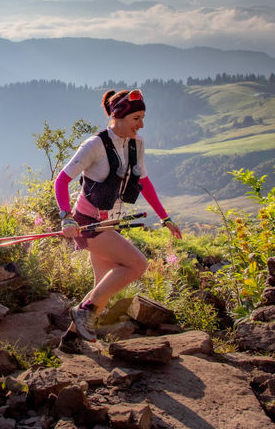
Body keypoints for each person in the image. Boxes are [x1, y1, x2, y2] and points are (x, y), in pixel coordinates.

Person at [54, 88, 182, 352]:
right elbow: (62, 181)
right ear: (118, 116)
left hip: (110, 223)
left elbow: (144, 182)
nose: (141, 124)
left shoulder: (136, 144)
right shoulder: (94, 145)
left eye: (142, 118)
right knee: (137, 264)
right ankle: (82, 313)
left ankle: (70, 342)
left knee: (101, 288)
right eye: (136, 118)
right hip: (87, 222)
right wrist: (66, 217)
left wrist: (165, 217)